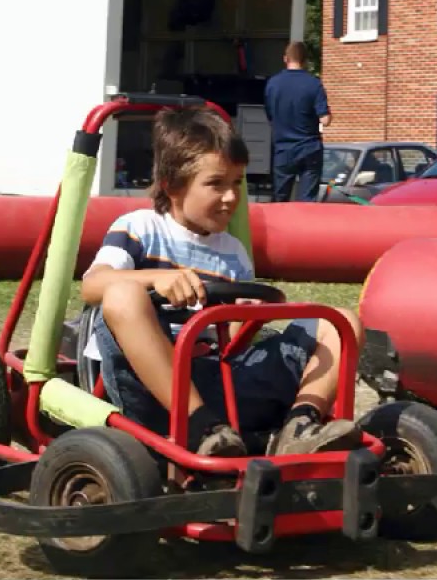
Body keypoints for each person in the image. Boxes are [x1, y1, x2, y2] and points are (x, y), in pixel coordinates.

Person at [79, 106, 365, 459]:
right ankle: (201, 427)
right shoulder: (140, 228)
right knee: (121, 294)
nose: (231, 197)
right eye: (216, 184)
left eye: (237, 183)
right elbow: (93, 285)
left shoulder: (234, 252)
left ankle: (300, 425)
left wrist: (247, 317)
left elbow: (237, 338)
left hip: (223, 381)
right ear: (172, 186)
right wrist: (157, 278)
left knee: (340, 321)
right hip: (154, 386)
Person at [264, 41, 331, 202]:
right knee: (307, 200)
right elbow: (325, 120)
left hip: (283, 149)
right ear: (305, 61)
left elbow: (270, 116)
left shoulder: (273, 84)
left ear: (285, 58)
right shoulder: (314, 84)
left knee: (280, 198)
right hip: (309, 148)